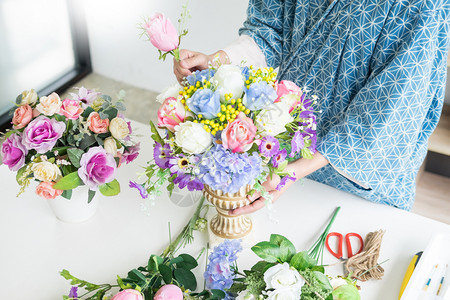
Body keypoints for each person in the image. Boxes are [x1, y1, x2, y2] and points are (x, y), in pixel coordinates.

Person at [173, 0, 450, 215]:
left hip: (359, 176)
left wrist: (293, 171)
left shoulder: (424, 5)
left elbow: (392, 105)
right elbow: (271, 30)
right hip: (284, 146)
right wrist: (217, 61)